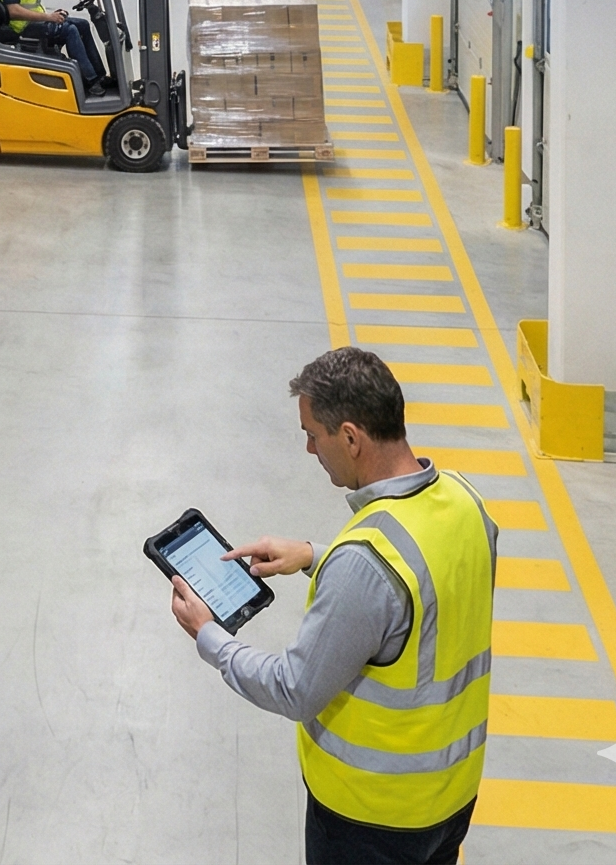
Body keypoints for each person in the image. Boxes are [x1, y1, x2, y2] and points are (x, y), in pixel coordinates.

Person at [169, 345, 496, 865]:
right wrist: (314, 556)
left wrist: (210, 636)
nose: (308, 449)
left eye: (312, 435)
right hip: (450, 799)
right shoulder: (465, 503)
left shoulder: (365, 562)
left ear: (350, 437)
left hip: (371, 818)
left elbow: (294, 688)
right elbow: (418, 599)